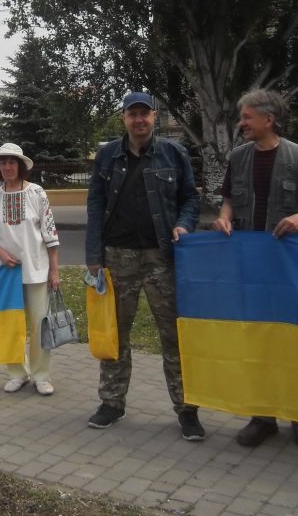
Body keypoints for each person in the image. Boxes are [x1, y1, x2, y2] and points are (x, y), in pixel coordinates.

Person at [85, 91, 203, 440]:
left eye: (145, 114)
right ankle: (111, 403)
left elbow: (190, 199)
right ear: (123, 118)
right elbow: (94, 205)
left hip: (161, 257)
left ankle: (187, 409)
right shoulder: (107, 156)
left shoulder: (173, 153)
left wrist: (184, 224)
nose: (139, 120)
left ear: (154, 117)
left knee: (173, 335)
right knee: (115, 334)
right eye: (132, 114)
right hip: (117, 258)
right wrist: (93, 255)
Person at [213, 89, 298, 448]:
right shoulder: (239, 156)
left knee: (295, 340)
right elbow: (229, 200)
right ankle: (262, 418)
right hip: (252, 267)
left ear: (268, 120)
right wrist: (224, 219)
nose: (241, 123)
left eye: (246, 117)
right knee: (259, 340)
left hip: (292, 267)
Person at [0, 143, 60, 395]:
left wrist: (54, 271)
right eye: (3, 163)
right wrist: (2, 254)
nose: (7, 167)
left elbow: (50, 235)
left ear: (21, 166)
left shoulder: (37, 193)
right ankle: (16, 372)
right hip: (4, 275)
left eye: (12, 162)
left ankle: (41, 375)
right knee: (10, 326)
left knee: (38, 324)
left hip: (36, 271)